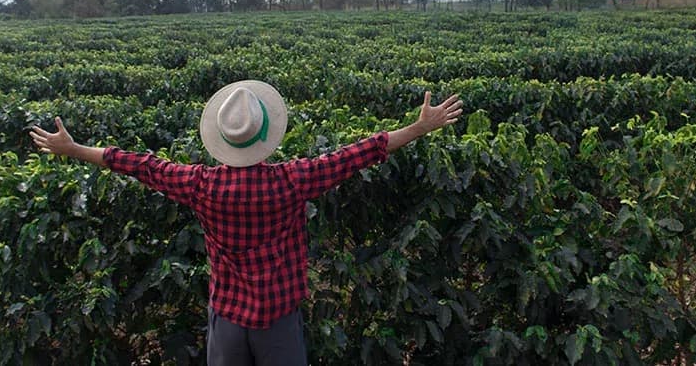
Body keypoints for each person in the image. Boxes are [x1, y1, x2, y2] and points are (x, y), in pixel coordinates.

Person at [30, 80, 463, 366]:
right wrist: (421, 127)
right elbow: (361, 151)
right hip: (278, 317)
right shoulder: (293, 181)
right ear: (265, 135)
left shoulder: (200, 185)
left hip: (228, 317)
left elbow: (140, 165)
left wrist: (74, 149)